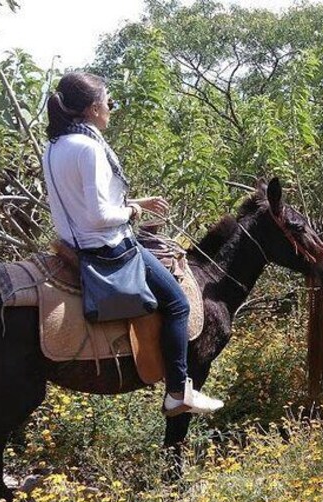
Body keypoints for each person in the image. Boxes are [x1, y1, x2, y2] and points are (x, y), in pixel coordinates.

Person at [43, 71, 223, 416]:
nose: (111, 107)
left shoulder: (56, 145)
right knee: (177, 303)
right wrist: (132, 211)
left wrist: (137, 202)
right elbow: (97, 216)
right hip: (107, 245)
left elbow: (80, 205)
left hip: (73, 241)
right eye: (109, 101)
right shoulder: (89, 148)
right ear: (94, 109)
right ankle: (177, 391)